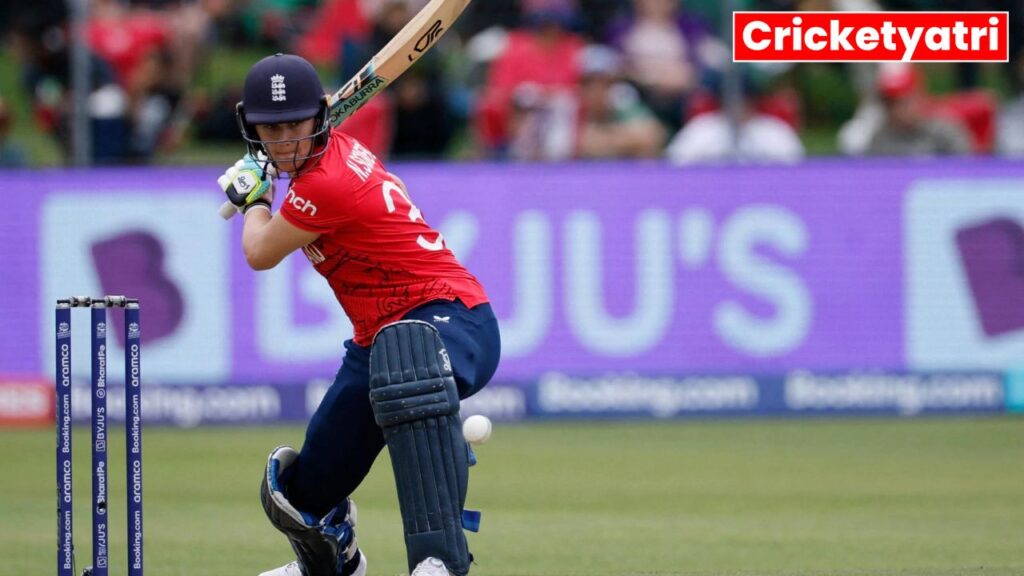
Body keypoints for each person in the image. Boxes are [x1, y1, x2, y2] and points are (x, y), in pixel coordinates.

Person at [219, 53, 501, 576]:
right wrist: (271, 182)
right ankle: (333, 563)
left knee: (408, 369)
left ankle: (437, 562)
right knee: (299, 493)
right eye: (270, 128)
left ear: (321, 117)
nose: (282, 141)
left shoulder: (326, 183)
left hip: (452, 316)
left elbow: (259, 252)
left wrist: (253, 198)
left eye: (293, 126)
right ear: (250, 125)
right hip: (378, 337)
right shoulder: (324, 161)